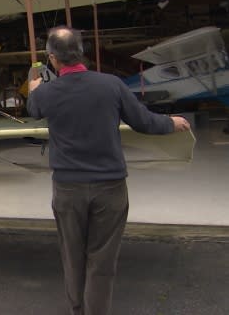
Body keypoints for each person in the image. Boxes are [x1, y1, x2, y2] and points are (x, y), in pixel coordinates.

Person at [27, 27, 190, 315]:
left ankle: (77, 310)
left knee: (73, 259)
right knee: (101, 263)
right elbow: (144, 122)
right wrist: (171, 123)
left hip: (68, 190)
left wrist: (34, 89)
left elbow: (33, 109)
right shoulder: (111, 85)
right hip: (110, 188)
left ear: (52, 59)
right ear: (81, 52)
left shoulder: (46, 93)